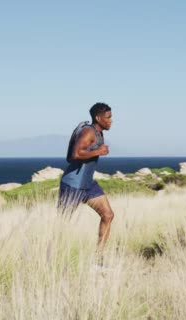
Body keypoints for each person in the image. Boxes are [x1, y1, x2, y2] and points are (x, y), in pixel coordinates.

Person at [58, 102, 114, 253]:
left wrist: (98, 150)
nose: (111, 120)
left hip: (88, 185)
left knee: (108, 215)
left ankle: (99, 256)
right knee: (62, 225)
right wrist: (98, 151)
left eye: (111, 117)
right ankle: (53, 259)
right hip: (72, 185)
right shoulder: (88, 132)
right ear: (98, 118)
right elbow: (76, 154)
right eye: (108, 117)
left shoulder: (99, 132)